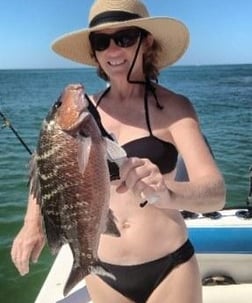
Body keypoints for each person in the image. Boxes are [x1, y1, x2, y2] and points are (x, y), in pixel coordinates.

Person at [11, 1, 226, 302]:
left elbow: (215, 193)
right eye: (102, 42)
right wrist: (31, 224)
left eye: (125, 38)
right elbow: (47, 166)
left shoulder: (175, 109)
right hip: (100, 269)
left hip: (169, 265)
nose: (113, 51)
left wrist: (168, 192)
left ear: (146, 41)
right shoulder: (82, 112)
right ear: (94, 52)